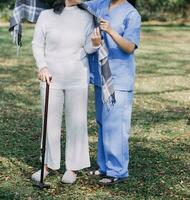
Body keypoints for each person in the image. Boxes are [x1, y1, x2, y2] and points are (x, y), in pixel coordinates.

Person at [31, 0, 101, 184]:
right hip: (50, 78)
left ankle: (73, 168)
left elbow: (88, 48)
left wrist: (95, 44)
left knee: (77, 123)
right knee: (49, 122)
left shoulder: (87, 16)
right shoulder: (46, 16)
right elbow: (37, 44)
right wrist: (42, 67)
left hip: (77, 77)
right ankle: (46, 165)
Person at [79, 0, 141, 184]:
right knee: (102, 123)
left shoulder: (131, 14)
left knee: (116, 126)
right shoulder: (100, 4)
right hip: (100, 76)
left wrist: (111, 31)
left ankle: (117, 171)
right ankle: (104, 166)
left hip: (119, 79)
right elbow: (80, 3)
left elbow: (130, 47)